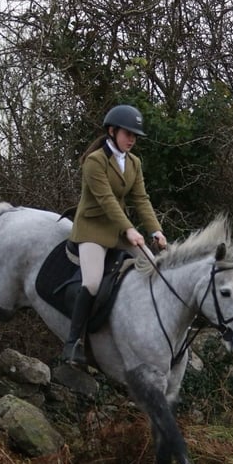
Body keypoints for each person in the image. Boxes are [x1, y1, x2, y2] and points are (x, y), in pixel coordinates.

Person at [61, 104, 168, 367]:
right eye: (127, 134)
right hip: (93, 229)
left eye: (135, 136)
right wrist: (130, 229)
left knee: (154, 267)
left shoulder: (134, 163)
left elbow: (141, 199)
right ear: (112, 131)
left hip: (118, 229)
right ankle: (73, 342)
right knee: (93, 283)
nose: (131, 139)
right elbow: (107, 201)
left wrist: (156, 230)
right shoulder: (95, 161)